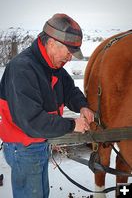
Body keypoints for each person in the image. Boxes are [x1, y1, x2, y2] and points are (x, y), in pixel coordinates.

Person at [0, 13, 94, 198]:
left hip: (38, 143)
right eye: (68, 52)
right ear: (51, 44)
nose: (70, 59)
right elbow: (32, 122)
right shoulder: (23, 69)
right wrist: (73, 125)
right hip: (24, 147)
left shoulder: (51, 65)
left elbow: (69, 90)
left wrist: (82, 106)